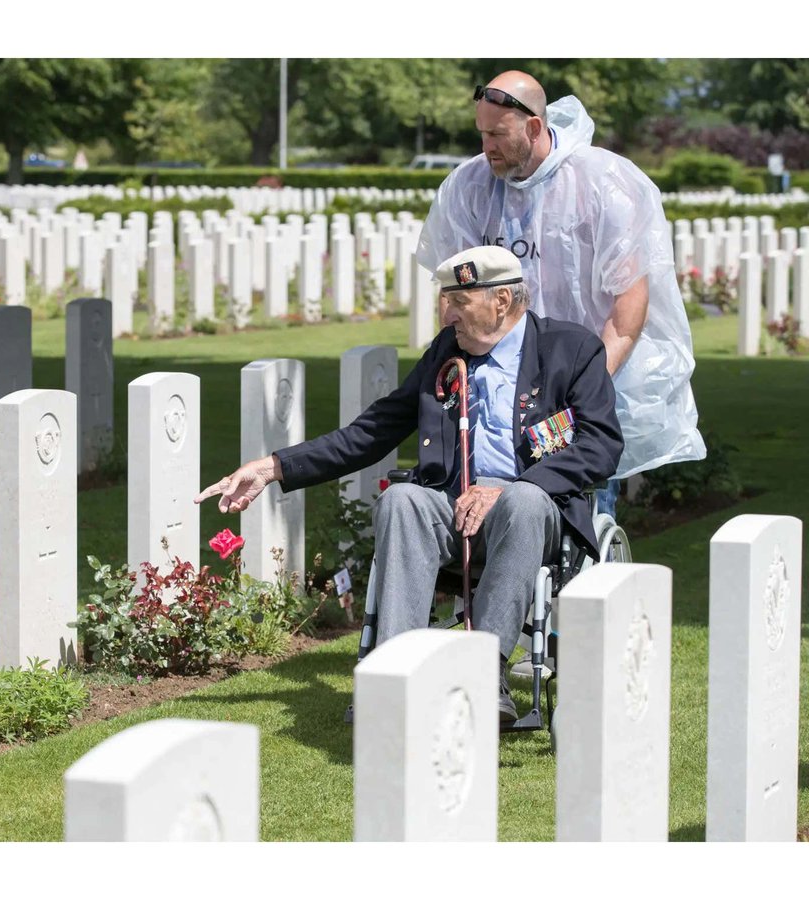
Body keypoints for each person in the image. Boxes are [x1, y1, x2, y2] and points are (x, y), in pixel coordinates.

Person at [195, 246, 623, 723]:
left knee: (523, 499)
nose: (446, 314)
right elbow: (372, 431)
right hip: (453, 509)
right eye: (445, 300)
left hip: (530, 513)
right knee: (401, 498)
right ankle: (394, 676)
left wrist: (507, 488)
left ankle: (484, 673)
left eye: (458, 301)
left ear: (502, 300)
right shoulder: (446, 353)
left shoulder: (571, 349)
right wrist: (274, 467)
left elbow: (601, 445)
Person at [417, 70, 705, 515]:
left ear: (533, 127)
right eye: (481, 133)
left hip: (579, 387)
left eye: (497, 134)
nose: (485, 146)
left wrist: (583, 385)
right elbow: (453, 292)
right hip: (495, 390)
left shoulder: (602, 183)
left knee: (580, 516)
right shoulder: (469, 187)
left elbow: (629, 302)